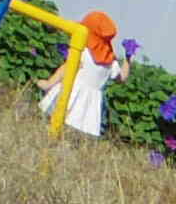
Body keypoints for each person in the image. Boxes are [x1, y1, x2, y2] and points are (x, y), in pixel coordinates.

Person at [38, 11, 126, 139]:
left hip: (70, 93)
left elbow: (67, 68)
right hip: (89, 105)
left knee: (52, 127)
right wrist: (128, 59)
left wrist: (49, 83)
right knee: (73, 138)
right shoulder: (111, 61)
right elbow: (122, 78)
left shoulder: (82, 51)